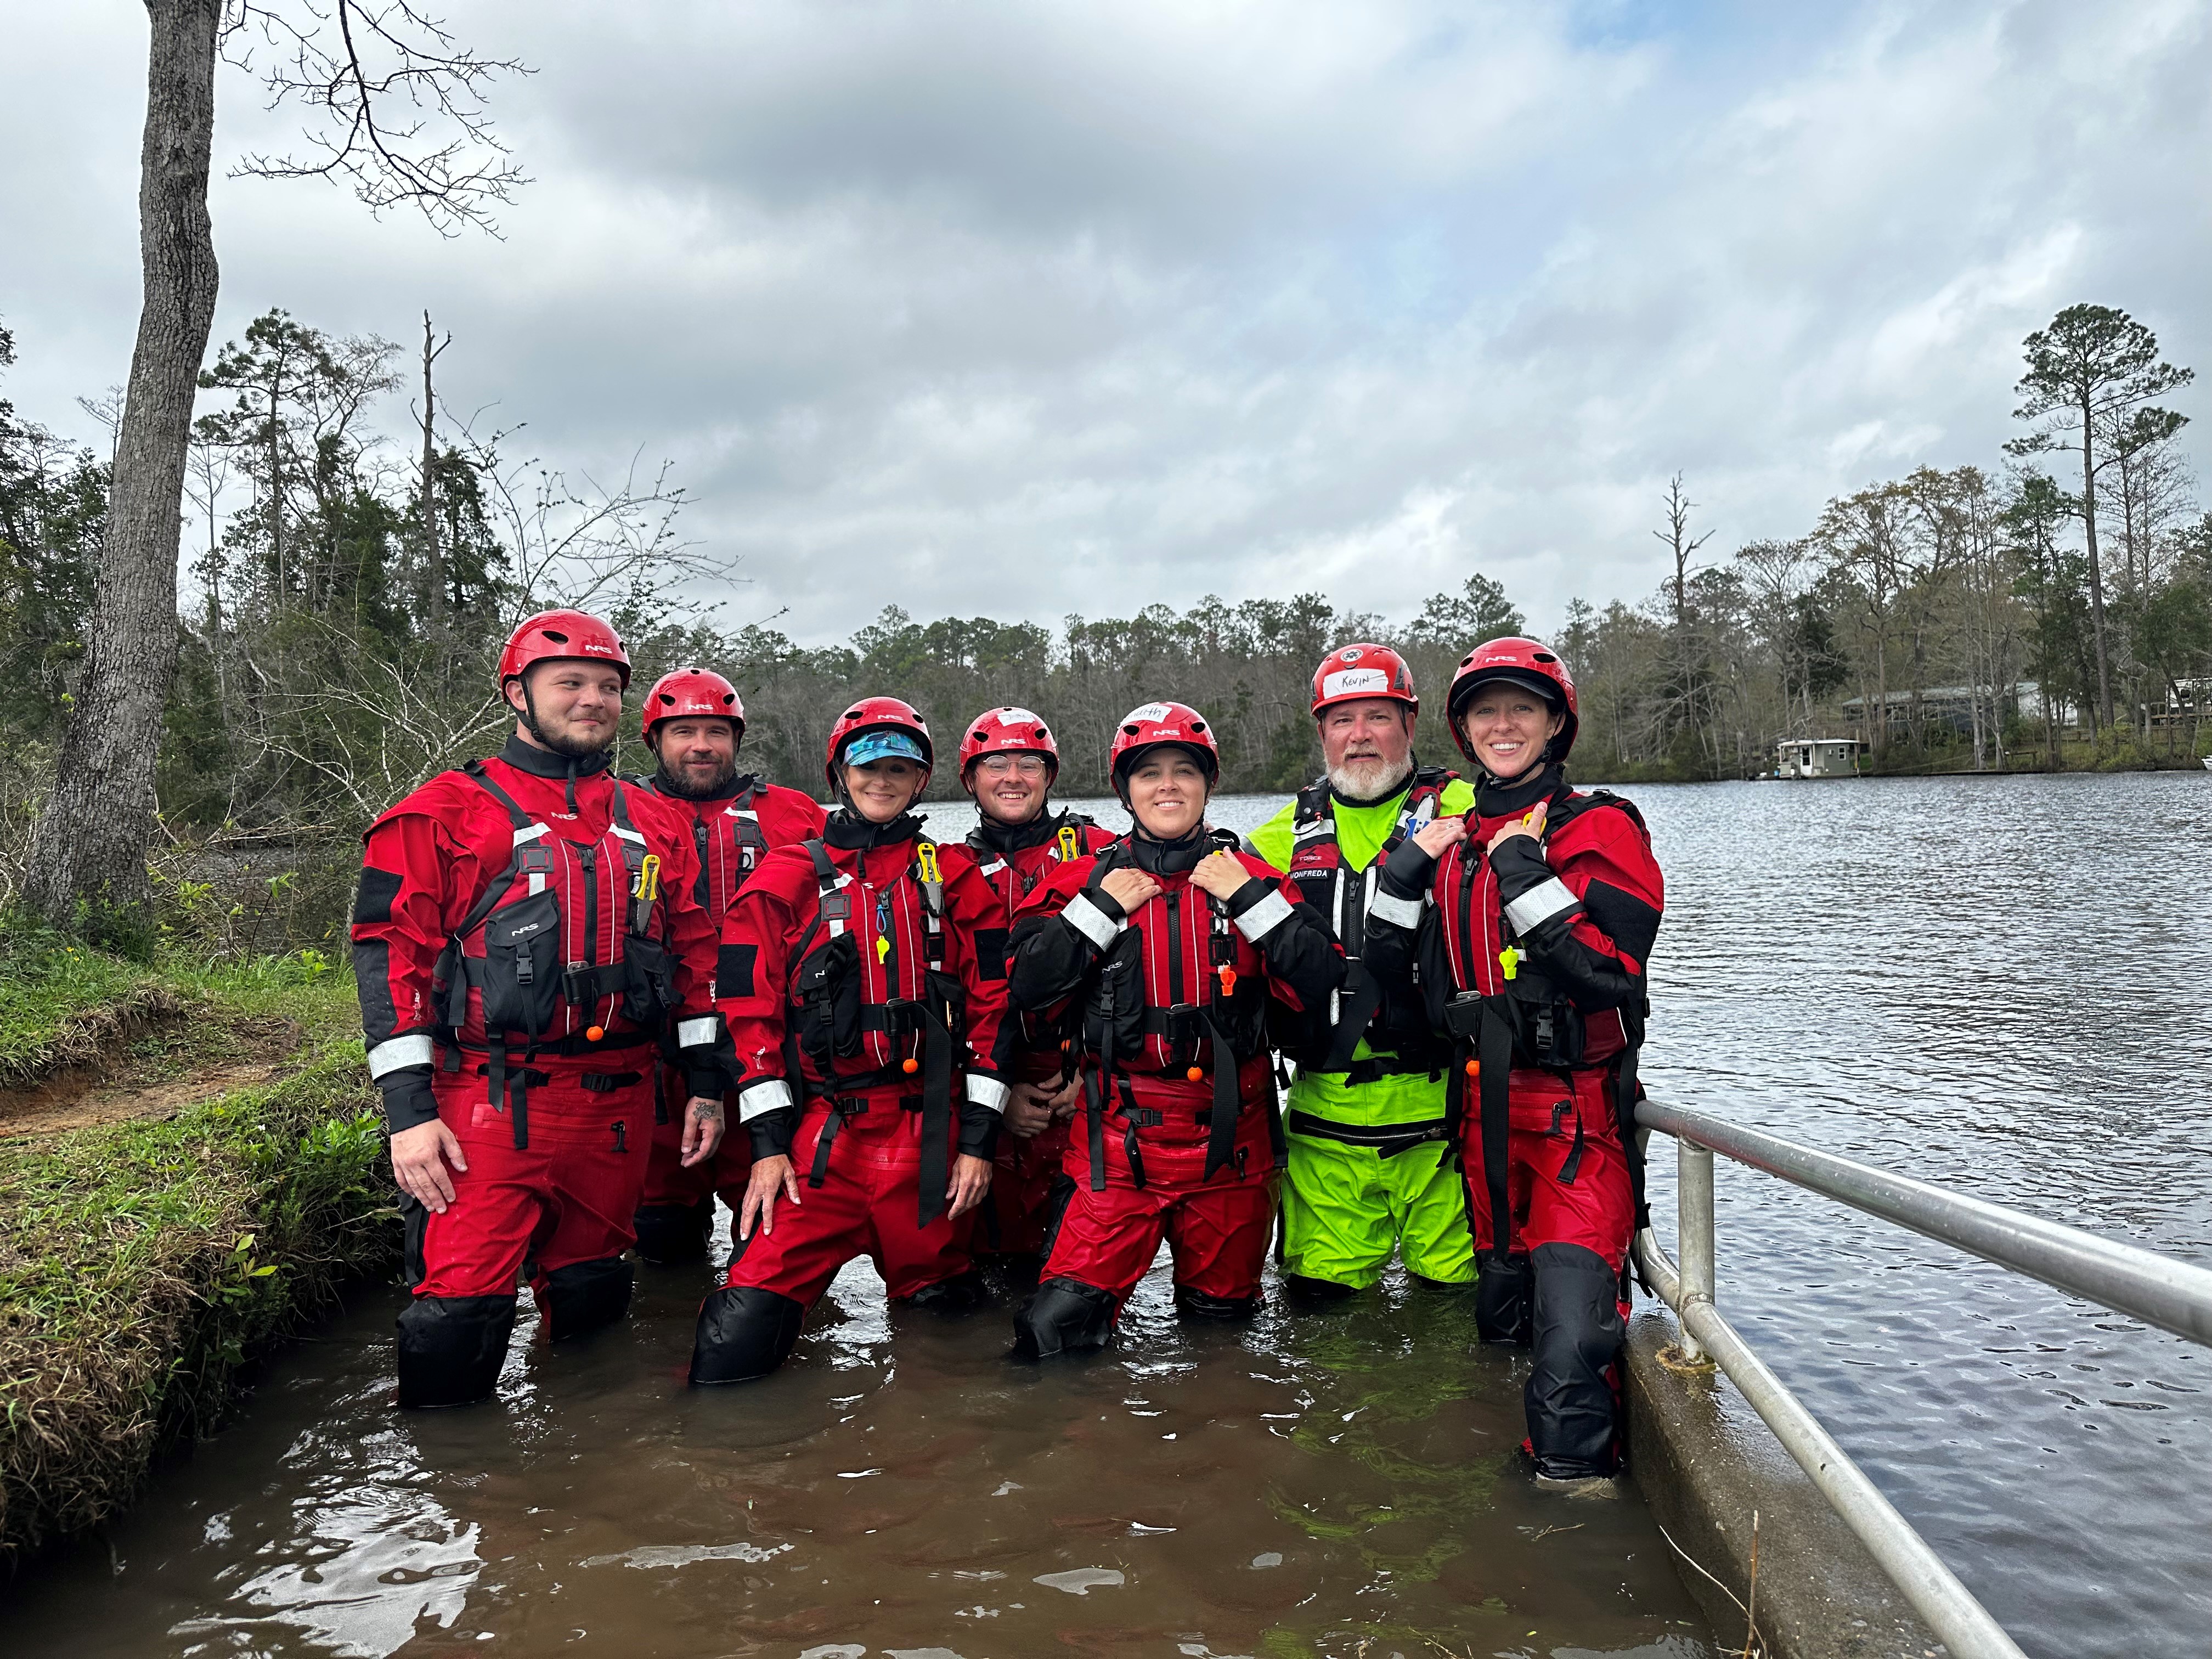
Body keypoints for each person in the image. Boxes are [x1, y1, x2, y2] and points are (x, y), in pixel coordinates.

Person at [352, 610, 732, 1409]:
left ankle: (586, 1490)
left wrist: (702, 1083)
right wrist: (408, 1114)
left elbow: (697, 958)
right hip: (488, 1104)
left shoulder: (656, 820)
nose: (591, 699)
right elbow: (391, 958)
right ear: (517, 695)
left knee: (595, 1307)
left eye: (606, 687)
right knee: (455, 1321)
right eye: (570, 684)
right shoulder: (445, 811)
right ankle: (451, 1502)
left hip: (620, 1104)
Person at [1363, 636, 1663, 1491]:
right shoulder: (1452, 841)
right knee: (1499, 1323)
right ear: (1461, 729)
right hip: (1483, 1123)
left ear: (1556, 722)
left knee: (1571, 1343)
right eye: (1485, 711)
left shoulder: (1598, 826)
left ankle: (1571, 1510)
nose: (1503, 725)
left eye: (1522, 709)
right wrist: (1407, 868)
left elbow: (1611, 972)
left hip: (1575, 1122)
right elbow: (1385, 968)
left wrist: (1524, 869)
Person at [689, 697, 1011, 1384]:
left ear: (922, 780)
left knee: (949, 1361)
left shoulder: (952, 875)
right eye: (869, 768)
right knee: (731, 1349)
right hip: (822, 1143)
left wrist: (978, 1146)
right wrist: (769, 1150)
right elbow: (749, 1018)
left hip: (930, 1144)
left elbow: (994, 1009)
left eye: (901, 768)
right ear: (839, 772)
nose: (883, 781)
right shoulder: (784, 878)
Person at [1005, 702, 1343, 1357]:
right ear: (1125, 791)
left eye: (1184, 771)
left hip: (1231, 1146)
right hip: (1117, 1142)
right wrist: (1101, 910)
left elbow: (1322, 979)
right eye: (1149, 773)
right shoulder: (1081, 882)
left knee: (1224, 1341)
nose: (1167, 786)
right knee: (1050, 1334)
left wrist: (1246, 899)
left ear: (1207, 785)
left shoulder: (1257, 881)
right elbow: (1028, 991)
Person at [1246, 645, 1478, 1302]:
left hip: (1442, 1118)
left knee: (1458, 1319)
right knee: (1320, 1321)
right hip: (1325, 1119)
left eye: (1378, 716)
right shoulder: (1277, 838)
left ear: (1409, 724)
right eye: (1342, 720)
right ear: (1322, 734)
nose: (1360, 736)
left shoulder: (1468, 809)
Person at [625, 667, 827, 1265]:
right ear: (654, 741)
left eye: (716, 731)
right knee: (661, 1233)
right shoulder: (619, 815)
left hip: (766, 1053)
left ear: (737, 739)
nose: (701, 745)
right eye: (683, 730)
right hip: (659, 1060)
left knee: (768, 1231)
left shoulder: (795, 817)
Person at [935, 706, 1118, 1270]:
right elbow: (942, 1004)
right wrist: (996, 1098)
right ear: (969, 779)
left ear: (1050, 776)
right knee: (994, 1270)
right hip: (996, 1095)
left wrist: (1092, 1075)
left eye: (1029, 764)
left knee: (1078, 1272)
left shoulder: (1105, 852)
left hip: (1086, 1088)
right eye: (996, 763)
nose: (1013, 776)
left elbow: (1143, 979)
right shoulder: (945, 871)